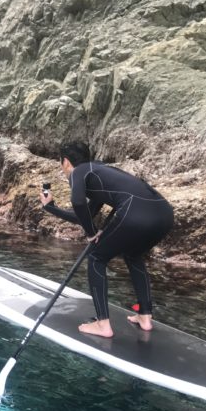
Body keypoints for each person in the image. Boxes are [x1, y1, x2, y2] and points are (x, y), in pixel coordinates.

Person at [39, 141, 174, 338]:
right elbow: (84, 214)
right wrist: (50, 207)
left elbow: (78, 202)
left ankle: (103, 325)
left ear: (66, 162)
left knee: (96, 258)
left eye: (62, 164)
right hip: (164, 214)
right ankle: (145, 316)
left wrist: (90, 232)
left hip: (135, 213)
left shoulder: (78, 172)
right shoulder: (99, 171)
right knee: (133, 255)